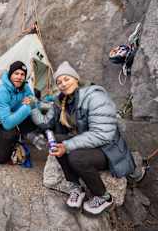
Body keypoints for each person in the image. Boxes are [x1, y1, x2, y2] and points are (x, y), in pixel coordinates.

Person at [31, 61, 135, 215]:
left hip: (107, 149)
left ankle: (104, 197)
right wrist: (33, 107)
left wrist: (67, 145)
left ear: (76, 79)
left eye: (67, 79)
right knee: (54, 140)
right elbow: (47, 123)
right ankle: (76, 187)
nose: (63, 84)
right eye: (59, 82)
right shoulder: (61, 101)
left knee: (76, 157)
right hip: (83, 142)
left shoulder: (94, 96)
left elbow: (102, 134)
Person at [0, 61, 37, 172]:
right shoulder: (0, 92)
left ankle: (11, 142)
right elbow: (8, 123)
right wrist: (27, 106)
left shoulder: (25, 87)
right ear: (10, 75)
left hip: (11, 118)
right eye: (16, 73)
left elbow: (34, 101)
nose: (19, 77)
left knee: (0, 159)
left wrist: (32, 101)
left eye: (22, 74)